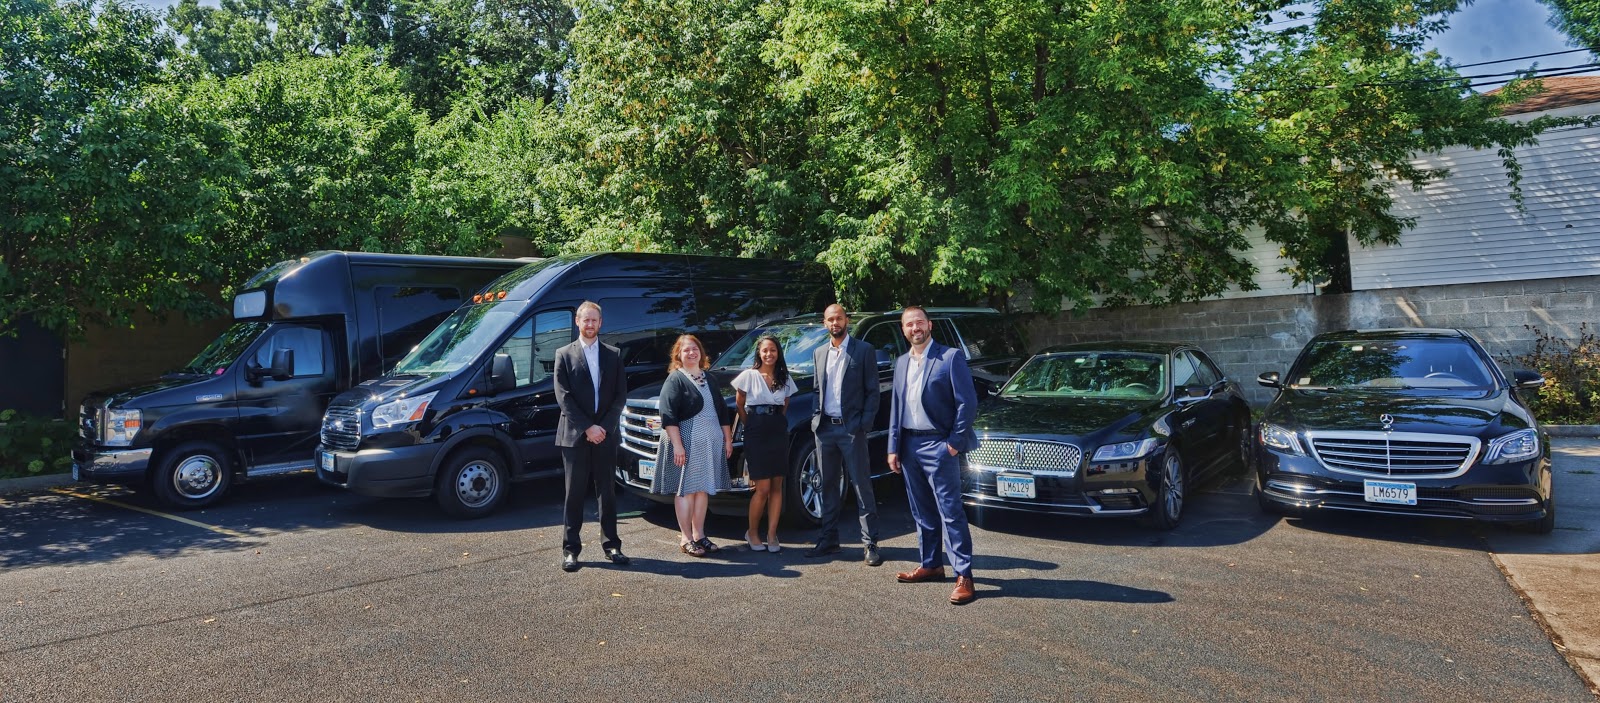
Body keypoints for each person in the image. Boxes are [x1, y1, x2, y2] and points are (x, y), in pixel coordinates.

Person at [888, 305, 979, 605]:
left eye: (919, 323)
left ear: (930, 325)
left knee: (950, 511)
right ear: (903, 330)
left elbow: (967, 403)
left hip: (939, 445)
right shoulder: (901, 362)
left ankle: (964, 575)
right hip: (909, 445)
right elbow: (896, 407)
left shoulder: (950, 357)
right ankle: (931, 565)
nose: (915, 328)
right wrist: (893, 447)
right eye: (909, 324)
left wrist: (953, 443)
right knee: (921, 511)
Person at [553, 301, 630, 572]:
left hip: (605, 435)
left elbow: (620, 395)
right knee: (573, 494)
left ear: (600, 323)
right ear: (577, 321)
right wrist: (588, 427)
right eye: (585, 320)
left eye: (594, 320)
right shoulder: (564, 354)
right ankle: (570, 550)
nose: (590, 324)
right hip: (574, 435)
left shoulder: (613, 354)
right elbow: (563, 397)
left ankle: (612, 546)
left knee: (607, 492)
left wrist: (603, 427)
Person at [806, 304, 883, 566]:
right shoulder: (819, 352)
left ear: (846, 320)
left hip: (852, 429)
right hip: (825, 429)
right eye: (830, 319)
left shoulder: (864, 350)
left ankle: (870, 543)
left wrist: (863, 423)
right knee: (827, 484)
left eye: (838, 318)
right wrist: (816, 419)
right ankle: (829, 539)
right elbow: (817, 389)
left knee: (861, 485)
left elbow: (873, 391)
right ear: (824, 323)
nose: (834, 323)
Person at [651, 334, 734, 557]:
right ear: (678, 354)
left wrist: (727, 439)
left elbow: (722, 411)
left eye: (694, 348)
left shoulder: (709, 378)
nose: (691, 353)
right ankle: (686, 538)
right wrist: (678, 446)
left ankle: (699, 535)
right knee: (686, 490)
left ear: (701, 352)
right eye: (686, 349)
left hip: (710, 441)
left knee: (702, 489)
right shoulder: (675, 379)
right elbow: (668, 415)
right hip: (687, 441)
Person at [730, 335, 799, 552]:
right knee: (762, 488)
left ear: (779, 353)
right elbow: (739, 404)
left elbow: (785, 404)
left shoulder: (784, 377)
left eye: (773, 350)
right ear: (759, 353)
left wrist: (774, 422)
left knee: (777, 485)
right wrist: (752, 424)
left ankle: (772, 533)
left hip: (778, 431)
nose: (769, 354)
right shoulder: (749, 375)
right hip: (756, 431)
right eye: (765, 350)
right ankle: (752, 532)